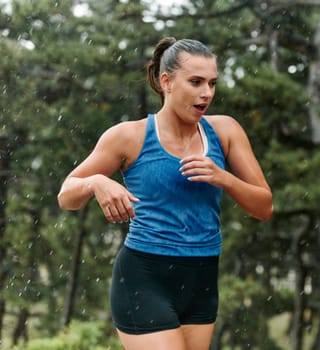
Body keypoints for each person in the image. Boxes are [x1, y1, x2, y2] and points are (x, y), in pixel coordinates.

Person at [57, 37, 273, 350]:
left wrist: (223, 178)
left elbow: (264, 207)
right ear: (166, 81)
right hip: (145, 277)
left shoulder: (225, 131)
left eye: (212, 83)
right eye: (196, 82)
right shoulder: (128, 137)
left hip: (202, 279)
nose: (207, 93)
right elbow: (66, 194)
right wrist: (96, 183)